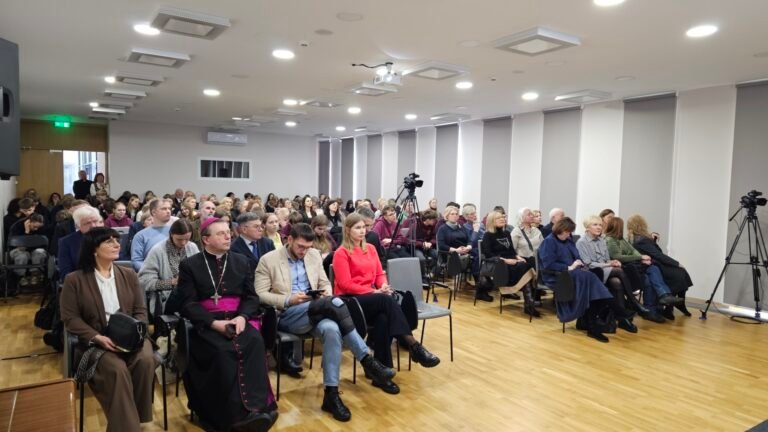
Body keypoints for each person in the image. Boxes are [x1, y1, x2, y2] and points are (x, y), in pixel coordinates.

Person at [255, 223, 395, 420]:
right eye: (300, 247)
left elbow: (324, 283)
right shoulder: (268, 260)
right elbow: (260, 294)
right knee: (335, 304)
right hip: (287, 314)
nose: (304, 251)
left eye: (307, 247)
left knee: (331, 329)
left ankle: (331, 395)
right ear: (289, 240)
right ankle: (366, 359)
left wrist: (325, 294)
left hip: (318, 310)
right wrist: (288, 299)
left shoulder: (312, 255)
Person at [176, 218, 278, 432]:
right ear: (206, 239)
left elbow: (251, 297)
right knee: (222, 351)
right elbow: (188, 303)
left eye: (227, 232)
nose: (227, 236)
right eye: (220, 233)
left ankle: (258, 409)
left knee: (254, 343)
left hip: (238, 319)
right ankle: (230, 416)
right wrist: (214, 323)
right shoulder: (190, 265)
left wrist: (242, 317)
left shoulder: (241, 261)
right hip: (206, 324)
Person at [59, 227, 155, 432]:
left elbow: (140, 310)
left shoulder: (128, 274)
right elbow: (70, 318)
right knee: (117, 370)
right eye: (109, 241)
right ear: (94, 249)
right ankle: (128, 427)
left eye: (117, 240)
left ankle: (134, 417)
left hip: (130, 337)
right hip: (96, 342)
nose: (116, 244)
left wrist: (135, 333)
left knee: (146, 359)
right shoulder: (74, 280)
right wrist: (97, 337)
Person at [332, 213, 440, 393]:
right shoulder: (341, 253)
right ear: (347, 230)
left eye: (364, 227)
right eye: (357, 228)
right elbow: (345, 284)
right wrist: (375, 291)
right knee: (385, 300)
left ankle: (381, 373)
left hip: (372, 299)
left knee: (383, 318)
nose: (362, 231)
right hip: (350, 301)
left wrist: (383, 285)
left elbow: (379, 274)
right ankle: (413, 344)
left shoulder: (371, 249)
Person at [539, 217, 635, 343]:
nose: (569, 235)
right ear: (561, 230)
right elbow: (547, 265)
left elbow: (577, 256)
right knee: (592, 277)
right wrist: (569, 267)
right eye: (568, 232)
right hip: (558, 276)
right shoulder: (549, 242)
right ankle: (616, 310)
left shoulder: (568, 241)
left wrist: (579, 262)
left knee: (594, 276)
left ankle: (592, 325)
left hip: (576, 272)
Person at [604, 217, 679, 323]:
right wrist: (640, 258)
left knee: (652, 271)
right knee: (650, 274)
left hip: (632, 266)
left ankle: (660, 300)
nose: (623, 228)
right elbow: (618, 256)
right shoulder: (610, 239)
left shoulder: (621, 239)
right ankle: (661, 298)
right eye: (620, 226)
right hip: (623, 268)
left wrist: (642, 257)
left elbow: (633, 251)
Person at [576, 216, 647, 321]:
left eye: (600, 225)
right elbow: (588, 264)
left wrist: (612, 262)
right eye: (595, 225)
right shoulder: (581, 242)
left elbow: (606, 260)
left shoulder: (602, 241)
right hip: (592, 272)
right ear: (587, 228)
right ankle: (633, 302)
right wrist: (608, 265)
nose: (599, 227)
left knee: (616, 282)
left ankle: (624, 318)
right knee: (618, 270)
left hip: (605, 270)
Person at [627, 214, 693, 319]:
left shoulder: (638, 238)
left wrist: (652, 239)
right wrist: (677, 263)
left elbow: (656, 252)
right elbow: (658, 254)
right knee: (679, 273)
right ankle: (670, 306)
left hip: (654, 264)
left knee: (681, 273)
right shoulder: (642, 240)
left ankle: (674, 306)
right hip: (653, 265)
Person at [480, 211, 539, 314]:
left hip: (511, 261)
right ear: (492, 221)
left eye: (503, 217)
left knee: (529, 263)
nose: (503, 219)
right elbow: (489, 254)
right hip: (498, 263)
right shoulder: (488, 235)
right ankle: (529, 302)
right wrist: (506, 261)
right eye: (499, 218)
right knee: (524, 268)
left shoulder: (507, 233)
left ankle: (529, 303)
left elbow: (512, 251)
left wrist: (518, 257)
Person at [138, 219, 199, 317]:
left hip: (191, 295)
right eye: (179, 239)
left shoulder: (192, 247)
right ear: (171, 235)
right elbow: (144, 281)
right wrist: (172, 282)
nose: (183, 243)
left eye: (187, 239)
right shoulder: (157, 251)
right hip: (166, 299)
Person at [58, 206, 104, 280]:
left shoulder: (109, 237)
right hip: (81, 282)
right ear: (78, 226)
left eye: (95, 221)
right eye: (87, 223)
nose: (93, 225)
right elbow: (65, 271)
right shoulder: (66, 242)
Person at [130, 198, 172, 271]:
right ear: (154, 212)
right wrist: (153, 271)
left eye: (169, 209)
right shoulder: (140, 236)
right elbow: (136, 261)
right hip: (151, 276)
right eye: (164, 209)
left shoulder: (174, 232)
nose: (168, 211)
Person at [8, 213, 47, 286]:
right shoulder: (17, 226)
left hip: (35, 249)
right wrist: (27, 232)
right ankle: (21, 277)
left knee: (39, 253)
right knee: (22, 255)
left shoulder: (41, 228)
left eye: (38, 227)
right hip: (19, 249)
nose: (36, 229)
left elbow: (43, 244)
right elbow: (20, 246)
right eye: (34, 227)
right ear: (29, 222)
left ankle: (35, 274)